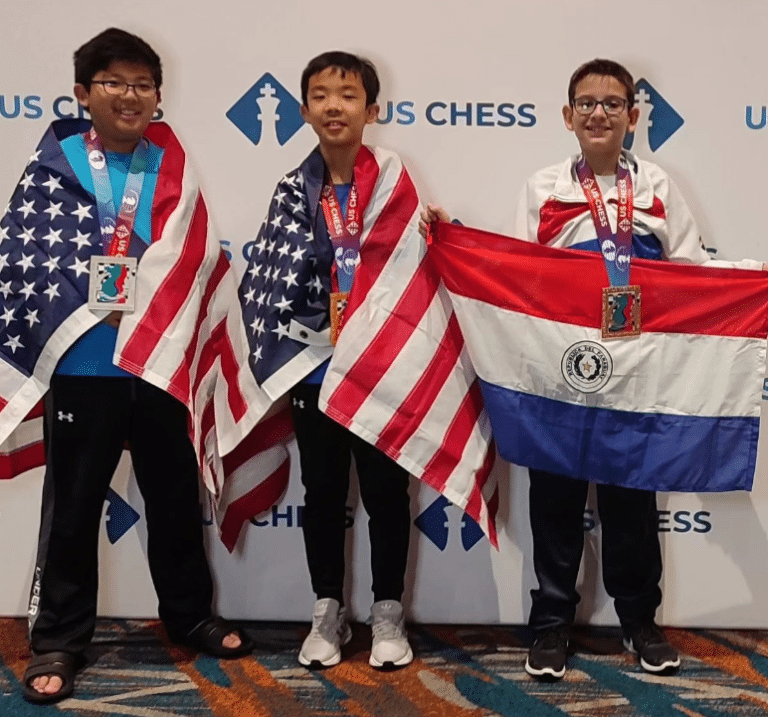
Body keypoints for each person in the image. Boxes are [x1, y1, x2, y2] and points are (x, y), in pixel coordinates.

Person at [420, 58, 764, 681]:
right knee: (554, 501)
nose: (598, 112)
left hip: (639, 378)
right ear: (567, 115)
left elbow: (688, 274)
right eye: (586, 102)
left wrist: (749, 284)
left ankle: (639, 623)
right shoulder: (545, 187)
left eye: (612, 103)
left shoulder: (659, 185)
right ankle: (552, 625)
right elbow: (514, 273)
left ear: (633, 116)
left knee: (632, 501)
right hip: (563, 376)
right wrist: (454, 238)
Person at [0, 28, 252, 705]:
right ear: (83, 94)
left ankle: (189, 613)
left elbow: (197, 259)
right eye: (113, 82)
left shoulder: (170, 163)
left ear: (158, 97)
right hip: (83, 365)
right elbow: (23, 261)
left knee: (173, 497)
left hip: (160, 364)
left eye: (142, 84)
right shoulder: (54, 167)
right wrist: (87, 305)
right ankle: (58, 636)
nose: (129, 95)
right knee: (74, 507)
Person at [239, 51, 417, 670]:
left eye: (346, 95)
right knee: (322, 492)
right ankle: (327, 611)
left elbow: (413, 269)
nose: (333, 106)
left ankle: (388, 611)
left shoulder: (395, 182)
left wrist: (441, 231)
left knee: (387, 492)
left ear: (372, 110)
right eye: (320, 95)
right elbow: (270, 274)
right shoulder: (292, 189)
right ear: (304, 109)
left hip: (380, 368)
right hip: (315, 368)